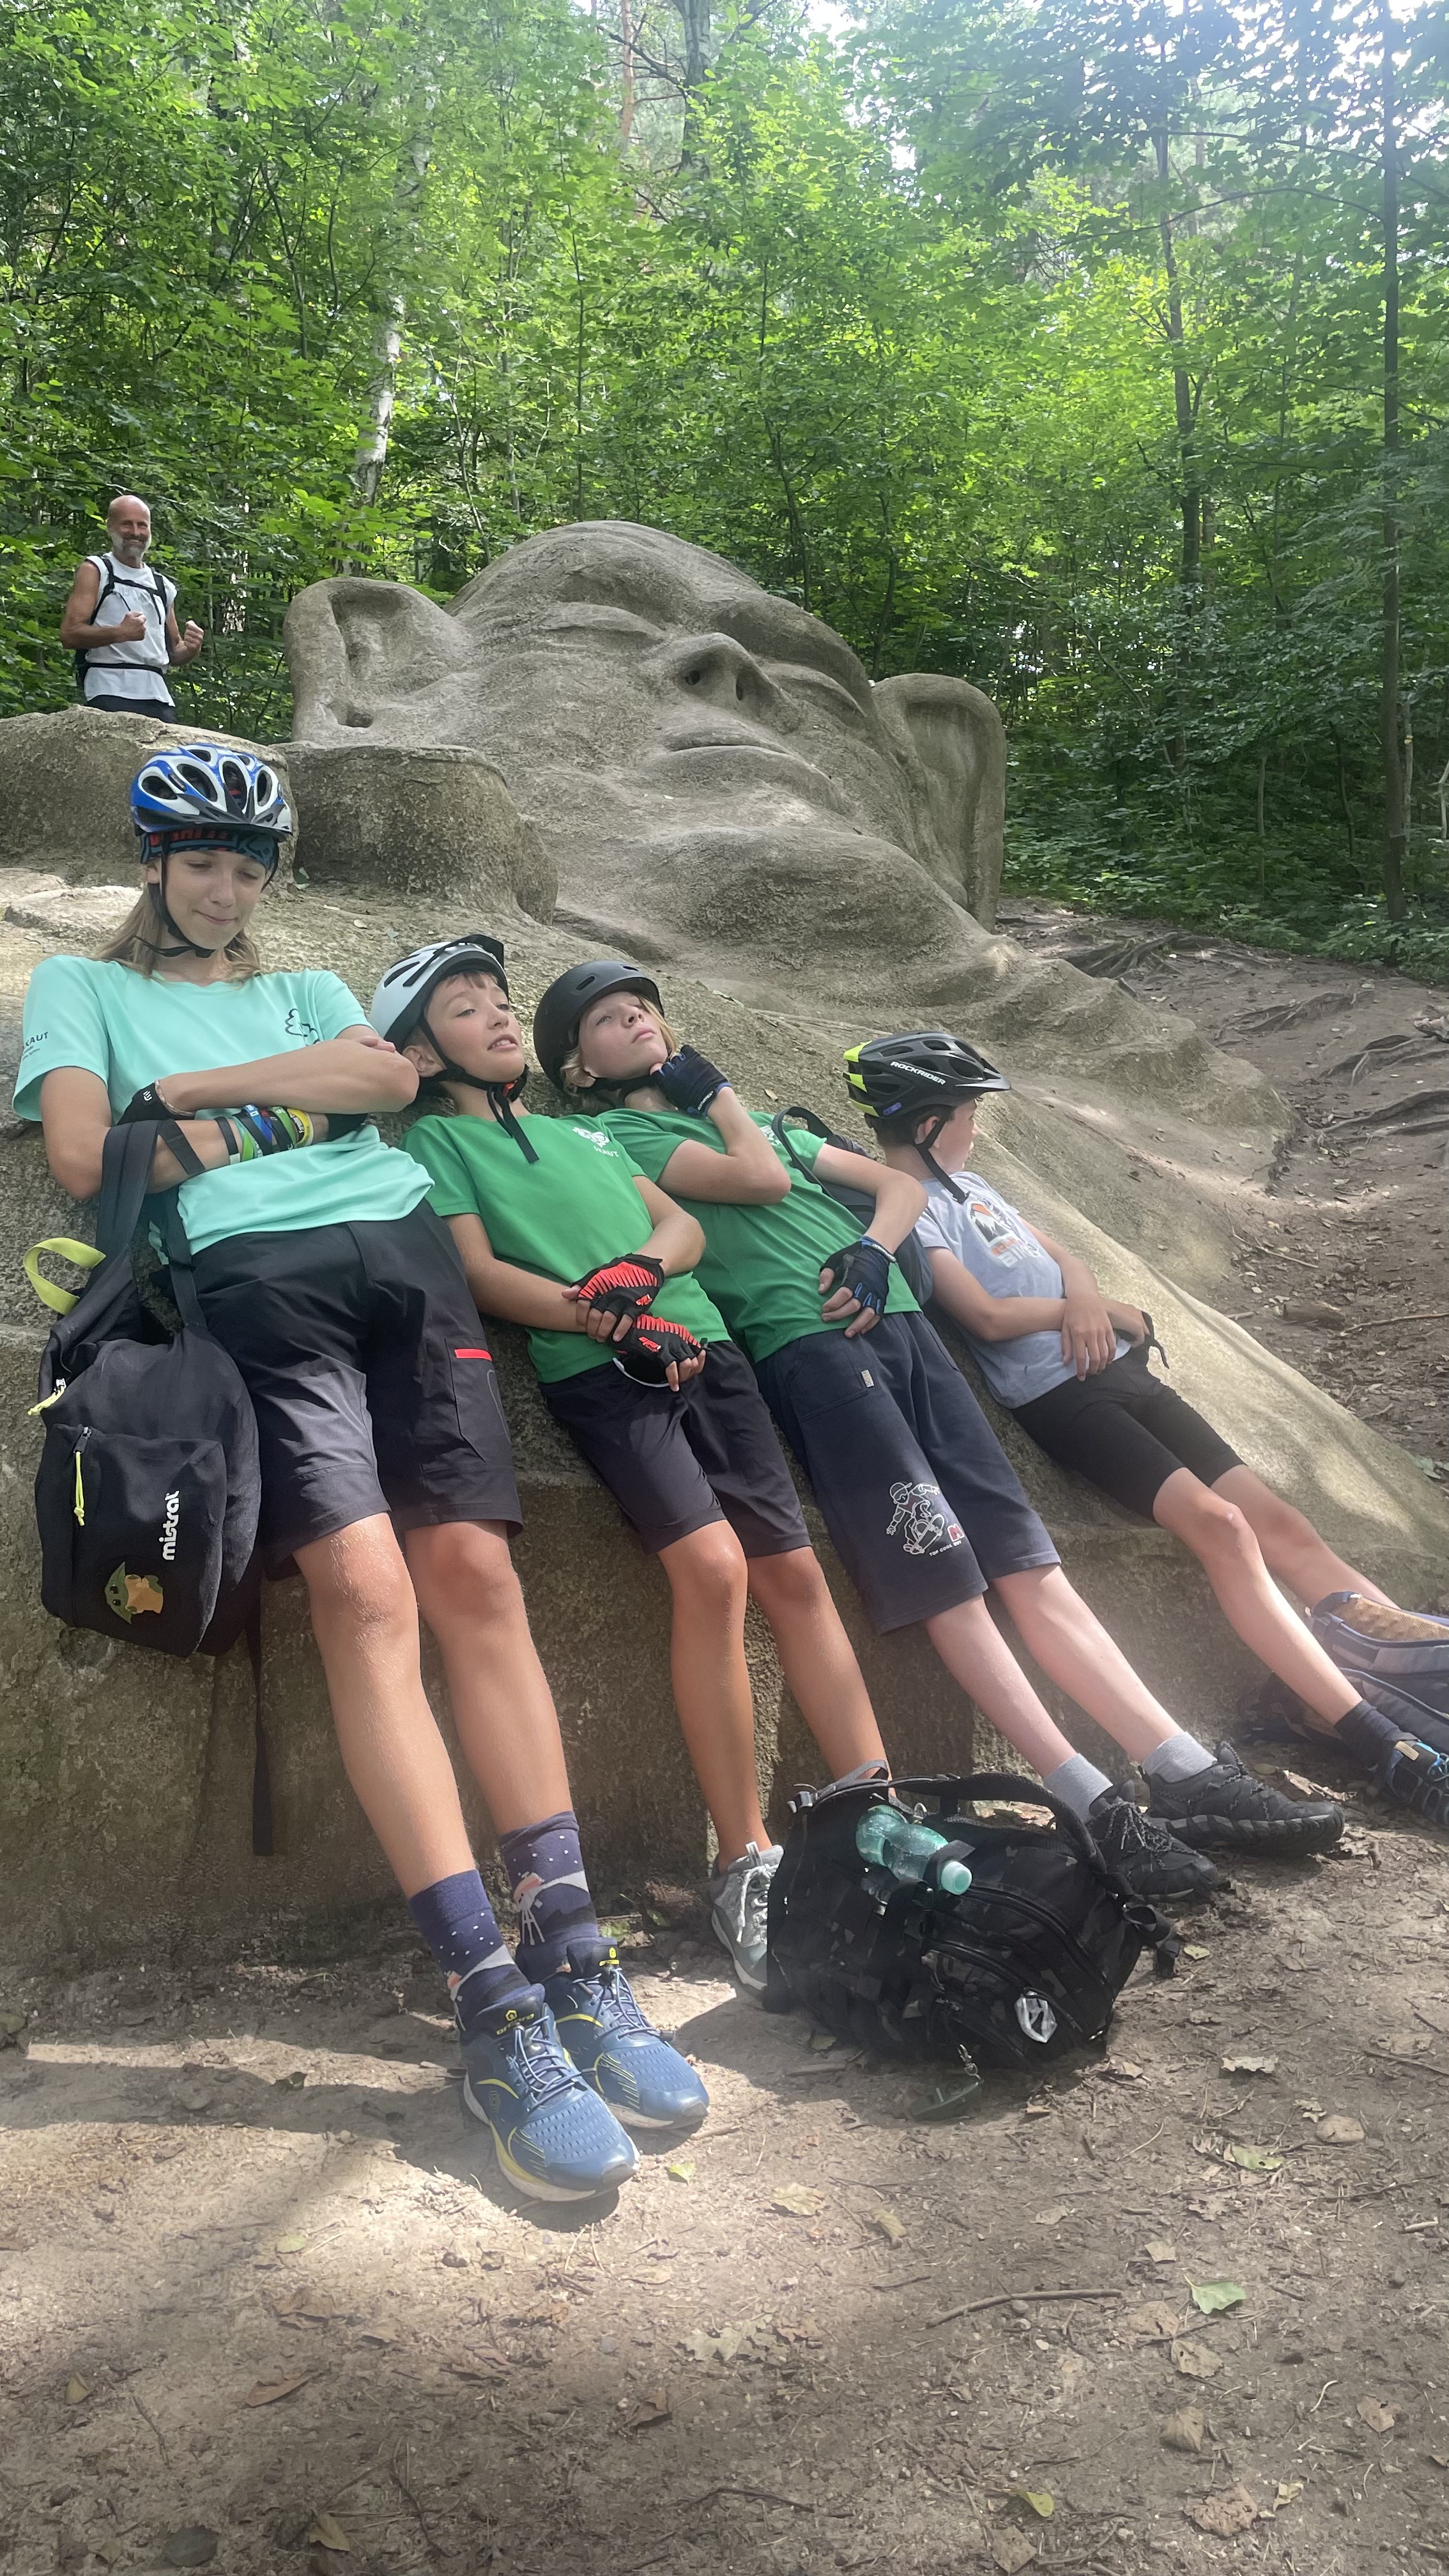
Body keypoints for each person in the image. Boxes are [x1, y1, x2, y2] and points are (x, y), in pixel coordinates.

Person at [14, 749, 707, 2204]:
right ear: (153, 863)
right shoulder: (80, 989)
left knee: (477, 1581)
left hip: (402, 1258)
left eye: (249, 865)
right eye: (203, 861)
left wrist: (189, 1099)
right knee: (366, 1593)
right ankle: (489, 2000)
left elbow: (382, 1081)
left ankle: (576, 1956)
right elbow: (86, 1155)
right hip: (253, 1283)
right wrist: (290, 1107)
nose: (228, 889)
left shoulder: (307, 982)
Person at [533, 965, 1346, 1902]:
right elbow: (759, 1180)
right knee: (946, 1576)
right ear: (579, 1070)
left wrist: (874, 1249)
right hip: (809, 1346)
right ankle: (1086, 1798)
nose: (636, 1018)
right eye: (607, 1018)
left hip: (905, 1324)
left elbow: (897, 1187)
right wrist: (714, 1095)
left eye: (643, 1006)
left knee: (1024, 1557)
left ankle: (1179, 1765)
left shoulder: (769, 1121)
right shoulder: (631, 1136)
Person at [371, 940, 893, 1994]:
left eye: (501, 1000)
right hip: (602, 1372)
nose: (499, 1016)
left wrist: (642, 1274)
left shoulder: (588, 1132)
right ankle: (744, 1858)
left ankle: (879, 1818)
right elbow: (478, 1272)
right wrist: (603, 1318)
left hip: (709, 1347)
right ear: (420, 1055)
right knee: (714, 1570)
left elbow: (680, 1223)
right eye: (466, 1008)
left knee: (794, 1573)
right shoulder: (436, 1141)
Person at [852, 1031, 1449, 1835]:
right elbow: (984, 1316)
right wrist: (1078, 1313)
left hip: (1122, 1372)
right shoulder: (910, 1204)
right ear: (928, 1125)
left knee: (1281, 1523)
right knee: (1224, 1527)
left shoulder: (975, 1184)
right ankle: (1383, 1741)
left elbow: (1063, 1257)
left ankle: (1419, 1678)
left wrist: (1090, 1298)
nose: (977, 1128)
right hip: (1063, 1398)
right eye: (967, 1115)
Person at [59, 495, 204, 717]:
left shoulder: (162, 585)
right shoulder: (97, 570)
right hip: (108, 688)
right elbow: (69, 635)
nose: (135, 532)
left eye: (142, 525)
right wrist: (120, 633)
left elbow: (175, 652)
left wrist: (192, 649)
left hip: (158, 695)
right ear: (110, 527)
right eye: (127, 524)